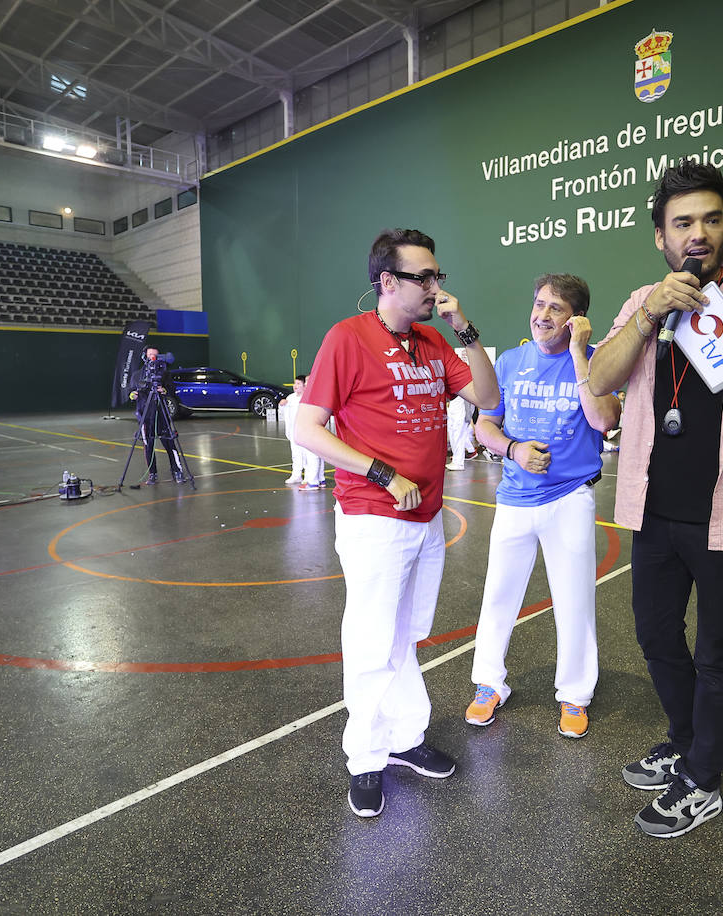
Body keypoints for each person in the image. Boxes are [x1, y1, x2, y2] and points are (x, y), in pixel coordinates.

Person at [586, 160, 723, 839]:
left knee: (717, 651)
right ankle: (689, 743)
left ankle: (703, 781)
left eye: (712, 219)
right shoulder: (642, 303)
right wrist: (651, 311)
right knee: (654, 633)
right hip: (654, 508)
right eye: (683, 223)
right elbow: (600, 379)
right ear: (661, 236)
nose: (699, 233)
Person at [295, 228, 500, 819]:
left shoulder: (436, 342)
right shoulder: (347, 338)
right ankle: (364, 757)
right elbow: (307, 430)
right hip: (374, 516)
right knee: (369, 639)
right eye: (425, 277)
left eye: (439, 277)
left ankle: (405, 739)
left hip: (427, 516)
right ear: (387, 282)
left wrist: (466, 331)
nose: (436, 287)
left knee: (406, 634)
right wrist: (384, 474)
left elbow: (487, 398)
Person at [465, 273, 621, 739]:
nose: (542, 315)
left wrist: (578, 355)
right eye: (539, 304)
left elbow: (604, 419)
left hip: (570, 497)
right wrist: (513, 450)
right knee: (498, 597)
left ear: (576, 318)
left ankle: (575, 694)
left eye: (556, 308)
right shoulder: (511, 361)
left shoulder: (595, 363)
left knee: (574, 601)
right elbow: (485, 425)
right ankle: (487, 684)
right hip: (514, 499)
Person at [128, 346, 187, 484]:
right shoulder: (137, 375)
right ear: (145, 356)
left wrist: (164, 390)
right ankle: (152, 473)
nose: (153, 358)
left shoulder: (164, 374)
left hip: (162, 414)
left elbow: (172, 389)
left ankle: (177, 471)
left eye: (156, 355)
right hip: (145, 415)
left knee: (170, 443)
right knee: (148, 445)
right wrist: (133, 395)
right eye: (150, 355)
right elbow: (130, 391)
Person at [280, 375, 325, 488]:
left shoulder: (308, 398)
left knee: (310, 455)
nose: (295, 386)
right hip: (294, 432)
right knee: (296, 455)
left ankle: (312, 478)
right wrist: (282, 405)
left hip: (306, 431)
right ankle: (297, 475)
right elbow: (287, 415)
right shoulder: (290, 397)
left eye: (299, 384)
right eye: (295, 383)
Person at [445, 395, 476, 471]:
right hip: (452, 402)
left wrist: (468, 416)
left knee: (458, 433)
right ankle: (456, 460)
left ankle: (458, 462)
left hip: (461, 403)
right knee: (452, 431)